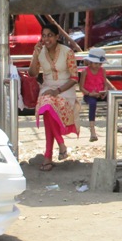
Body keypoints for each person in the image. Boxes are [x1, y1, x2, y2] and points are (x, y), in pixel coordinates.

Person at [29, 22, 79, 171]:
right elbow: (32, 73)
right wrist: (35, 55)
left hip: (65, 89)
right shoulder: (40, 51)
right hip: (47, 87)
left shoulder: (67, 52)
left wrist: (57, 91)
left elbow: (74, 78)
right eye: (44, 36)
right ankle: (60, 144)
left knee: (48, 107)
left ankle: (48, 156)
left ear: (57, 37)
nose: (46, 39)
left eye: (50, 35)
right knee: (47, 106)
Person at [79, 47, 112, 142]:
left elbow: (105, 85)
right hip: (89, 95)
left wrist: (104, 92)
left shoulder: (103, 71)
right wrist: (90, 94)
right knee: (92, 104)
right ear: (90, 62)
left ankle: (113, 123)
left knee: (112, 99)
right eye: (96, 63)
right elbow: (81, 87)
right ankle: (92, 129)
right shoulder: (85, 71)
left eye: (99, 64)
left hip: (100, 94)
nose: (98, 66)